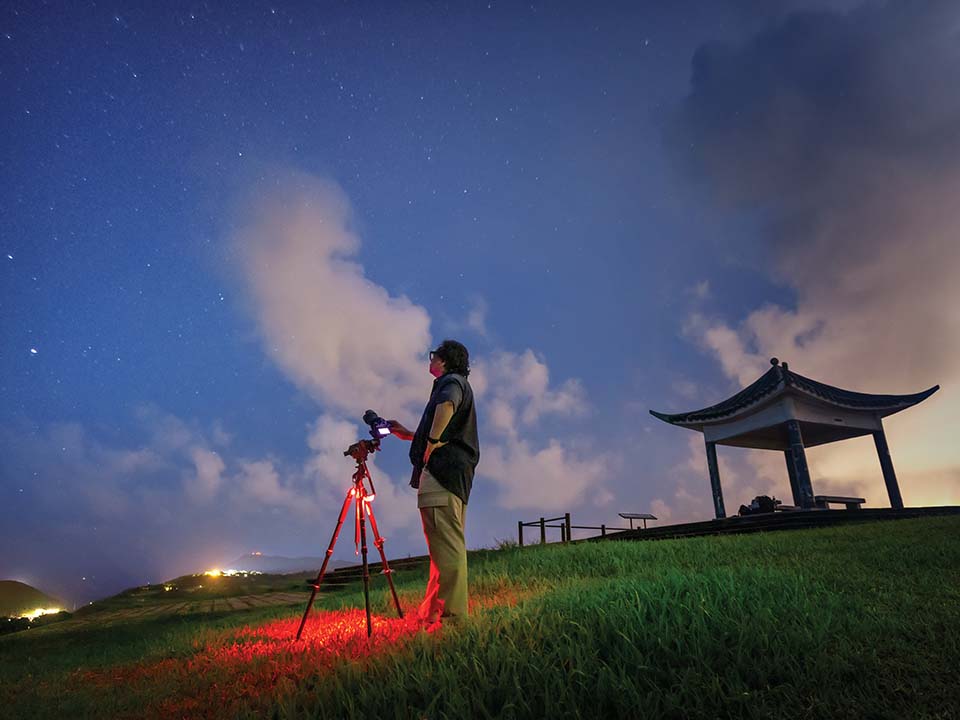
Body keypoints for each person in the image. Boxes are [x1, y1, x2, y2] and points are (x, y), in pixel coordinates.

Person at [388, 339, 479, 625]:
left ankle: (451, 621)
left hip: (442, 476)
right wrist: (407, 434)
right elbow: (445, 418)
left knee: (447, 548)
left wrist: (430, 443)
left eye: (434, 356)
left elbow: (447, 404)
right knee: (443, 548)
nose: (430, 360)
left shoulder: (451, 382)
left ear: (445, 359)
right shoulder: (459, 384)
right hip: (454, 477)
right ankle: (431, 614)